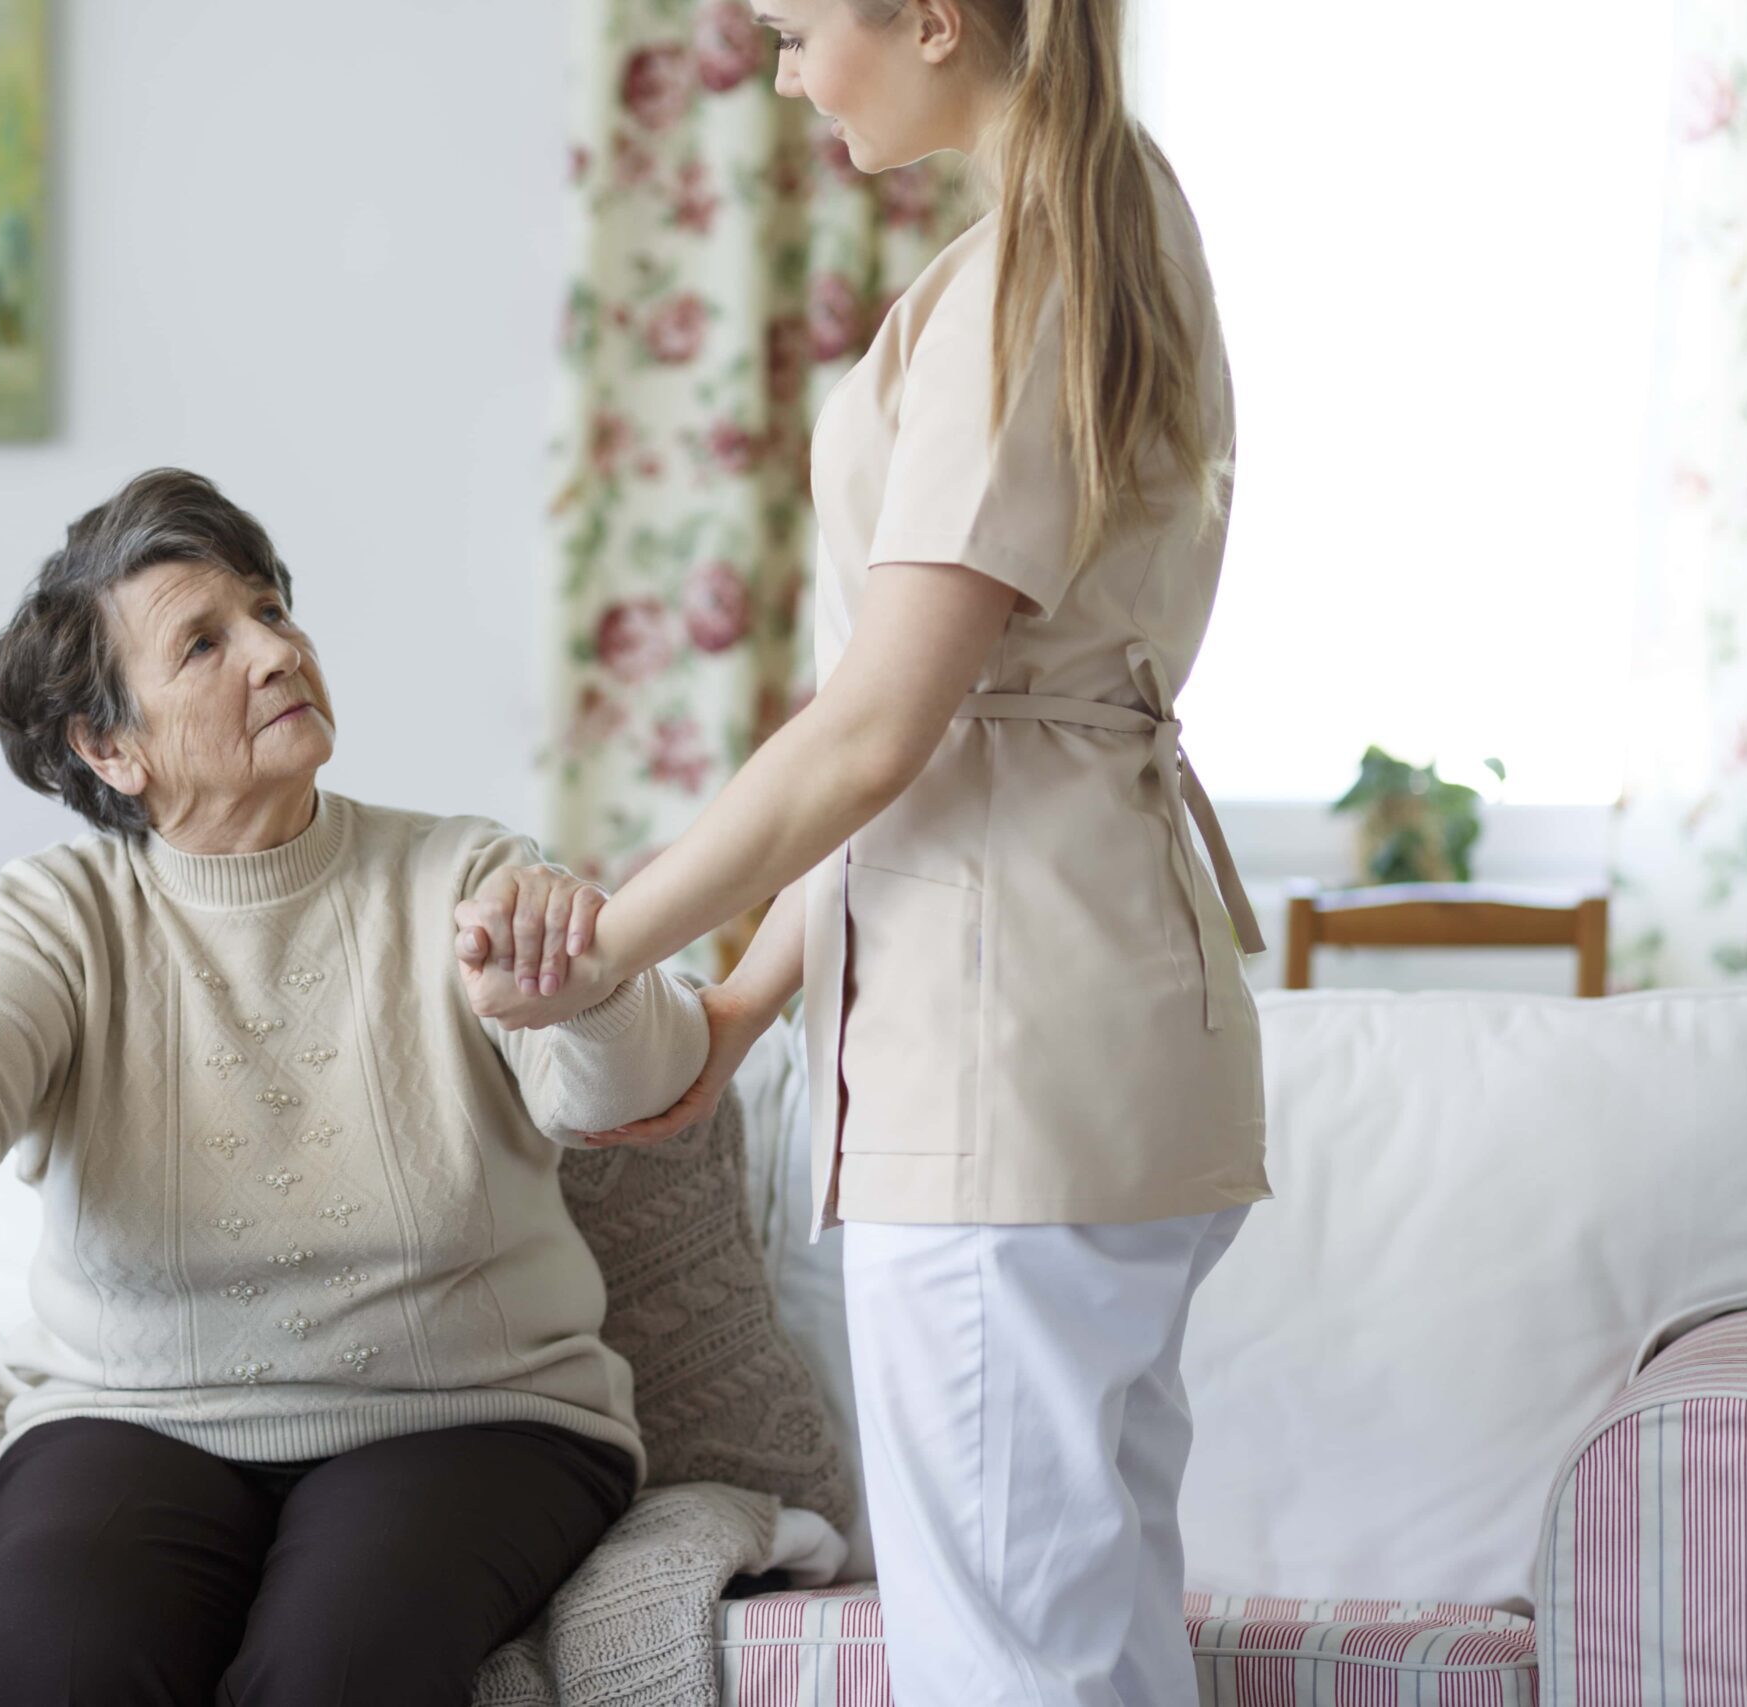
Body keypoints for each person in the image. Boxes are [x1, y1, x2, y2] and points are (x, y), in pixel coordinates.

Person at [456, 3, 1269, 1699]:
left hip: (1002, 1064)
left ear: (930, 18)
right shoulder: (1119, 216)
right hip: (1110, 1036)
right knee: (1095, 1633)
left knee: (1010, 1663)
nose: (785, 73)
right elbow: (944, 722)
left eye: (799, 29)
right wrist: (745, 1004)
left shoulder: (1022, 278)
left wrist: (608, 943)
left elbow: (877, 727)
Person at [0, 467, 706, 1707]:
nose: (275, 652)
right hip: (138, 1419)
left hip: (468, 1415)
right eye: (206, 642)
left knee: (333, 1677)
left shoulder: (461, 872)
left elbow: (626, 1093)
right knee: (42, 1672)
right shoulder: (58, 913)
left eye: (272, 612)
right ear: (110, 745)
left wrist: (582, 981)